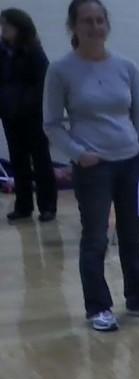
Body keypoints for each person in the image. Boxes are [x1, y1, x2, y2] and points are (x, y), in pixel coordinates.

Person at [43, 0, 139, 332]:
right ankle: (98, 307)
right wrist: (77, 154)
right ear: (73, 27)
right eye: (87, 21)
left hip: (131, 162)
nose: (94, 27)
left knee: (133, 235)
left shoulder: (126, 67)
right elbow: (52, 124)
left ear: (107, 25)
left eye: (100, 20)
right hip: (93, 166)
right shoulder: (60, 71)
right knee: (95, 238)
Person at [0, 8, 57, 223]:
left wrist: (25, 104)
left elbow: (43, 84)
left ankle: (48, 206)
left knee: (41, 160)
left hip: (33, 115)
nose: (3, 29)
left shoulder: (34, 51)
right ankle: (23, 206)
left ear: (19, 27)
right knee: (18, 161)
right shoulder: (2, 51)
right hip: (9, 114)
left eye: (7, 25)